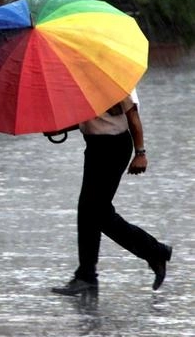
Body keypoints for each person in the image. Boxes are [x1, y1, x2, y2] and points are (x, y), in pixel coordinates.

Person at [49, 89, 172, 295]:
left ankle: (89, 274)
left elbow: (133, 116)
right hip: (95, 147)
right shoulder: (79, 81)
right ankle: (152, 252)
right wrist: (60, 128)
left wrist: (140, 153)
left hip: (114, 147)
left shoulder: (114, 80)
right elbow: (90, 117)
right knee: (94, 212)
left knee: (93, 211)